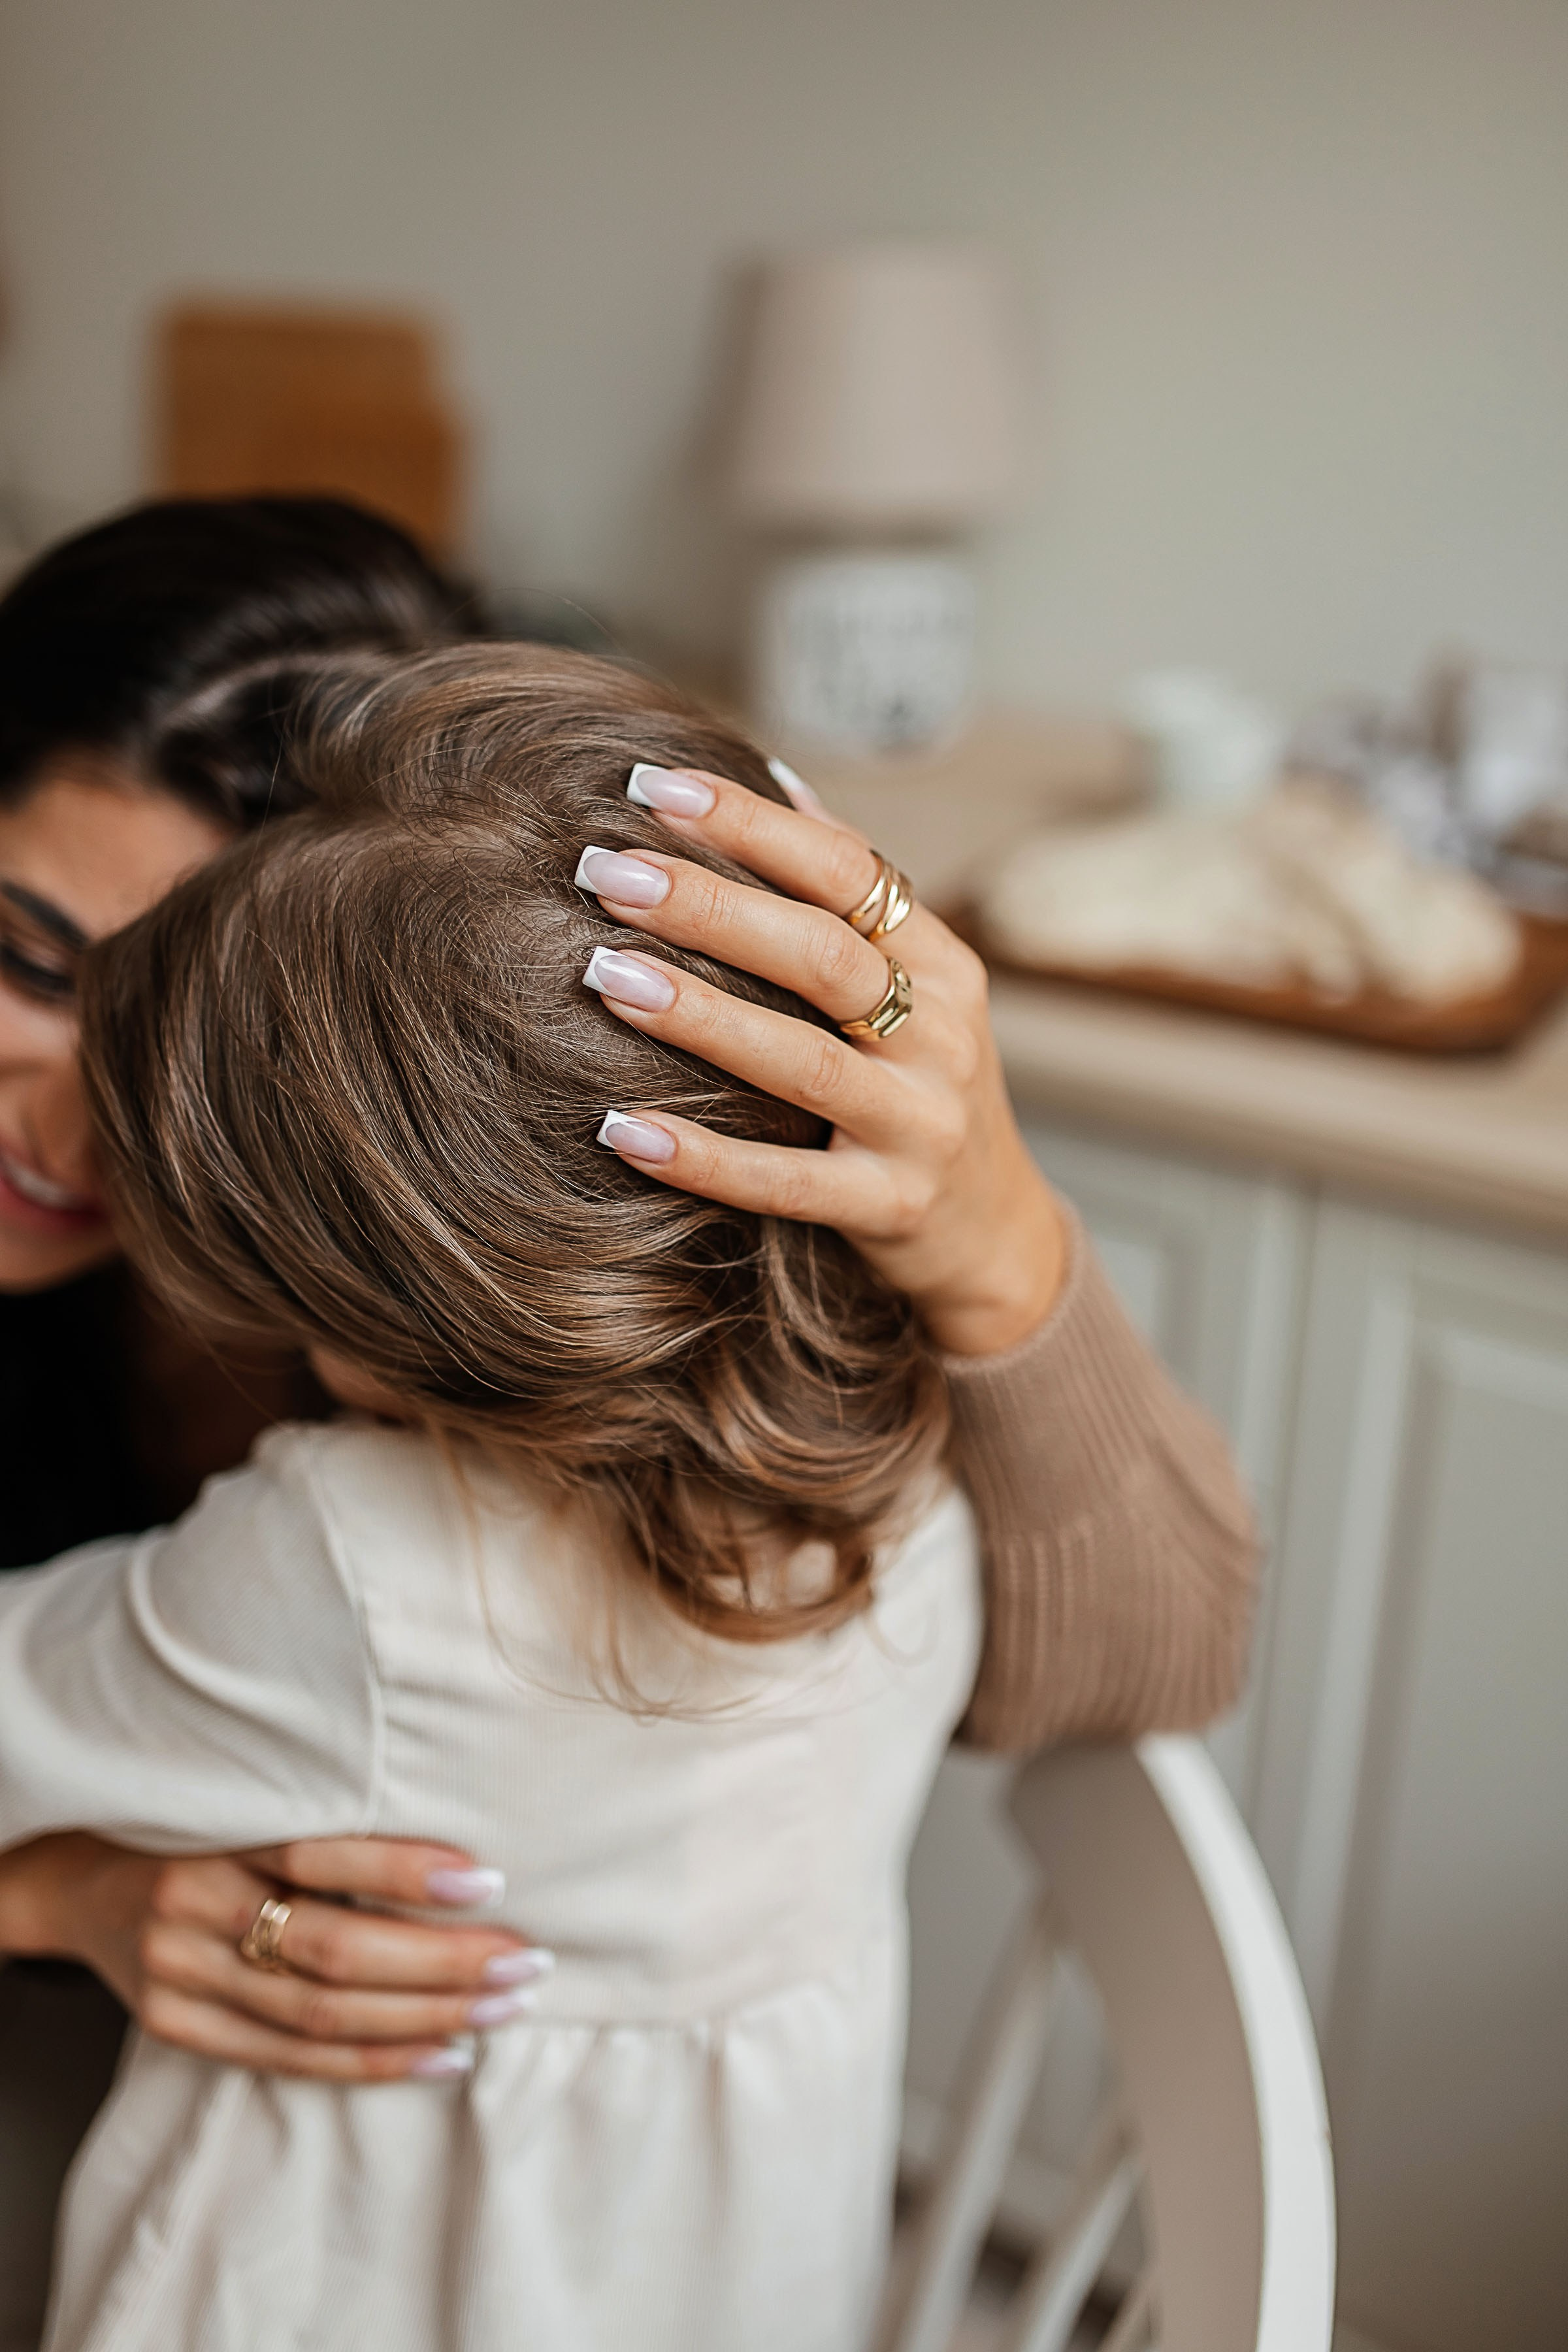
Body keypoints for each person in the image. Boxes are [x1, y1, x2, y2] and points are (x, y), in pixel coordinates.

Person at [0, 503, 1256, 2340]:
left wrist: (995, 1236)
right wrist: (59, 1898)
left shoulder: (405, 1490)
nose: (81, 1122)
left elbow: (1152, 1657)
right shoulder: (740, 1505)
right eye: (29, 952)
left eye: (169, 1033)